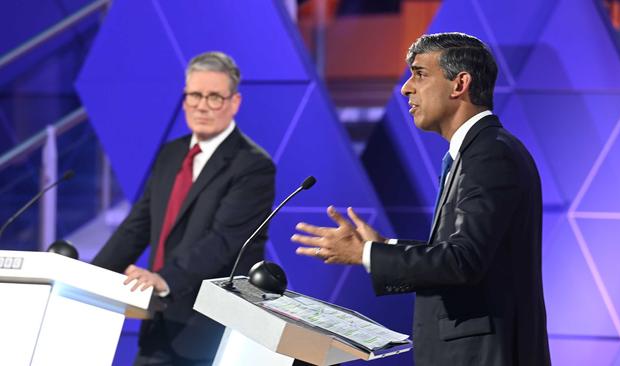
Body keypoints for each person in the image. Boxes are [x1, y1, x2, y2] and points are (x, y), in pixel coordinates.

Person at [292, 32, 550, 365]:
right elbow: (463, 252)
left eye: (420, 74)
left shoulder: (489, 154)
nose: (406, 88)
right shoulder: (479, 151)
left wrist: (367, 254)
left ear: (459, 85)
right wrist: (385, 244)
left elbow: (463, 261)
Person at [93, 51, 276, 366]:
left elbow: (223, 241)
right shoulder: (171, 153)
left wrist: (164, 279)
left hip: (210, 328)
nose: (202, 105)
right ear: (184, 99)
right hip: (157, 322)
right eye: (195, 95)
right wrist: (89, 277)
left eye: (214, 97)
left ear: (235, 102)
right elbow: (137, 226)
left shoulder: (253, 165)